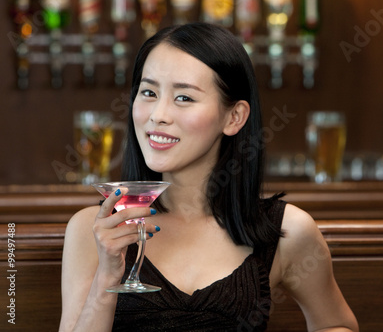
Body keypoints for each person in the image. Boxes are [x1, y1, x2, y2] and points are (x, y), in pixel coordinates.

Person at [59, 22, 358, 332]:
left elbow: (336, 325)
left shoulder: (287, 231)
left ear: (234, 117)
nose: (158, 114)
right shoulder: (92, 230)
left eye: (184, 98)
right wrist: (107, 276)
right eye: (148, 92)